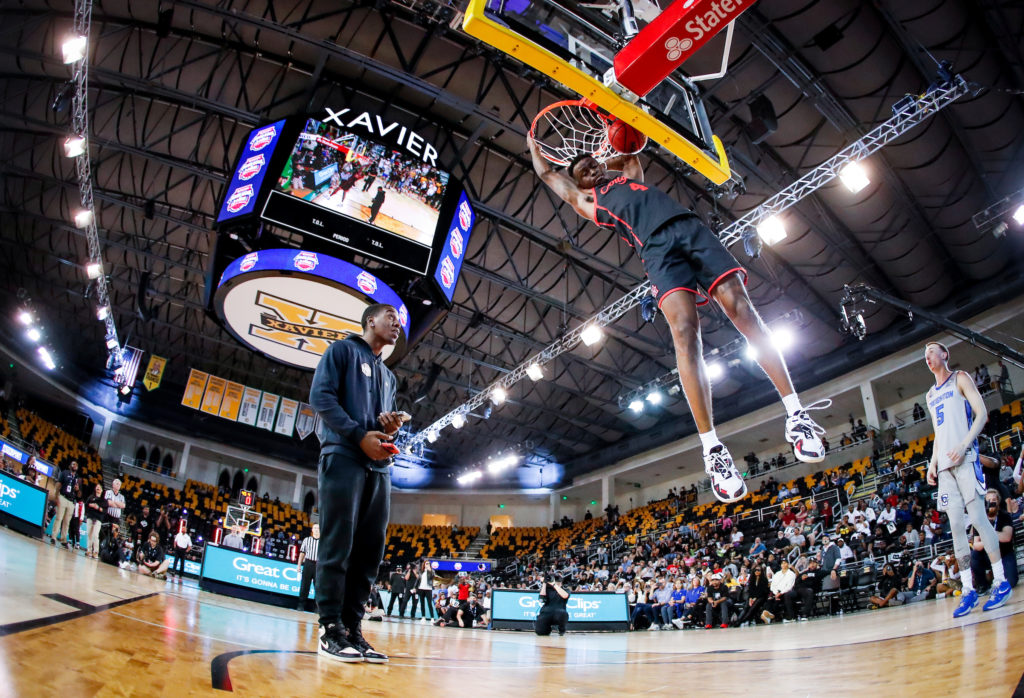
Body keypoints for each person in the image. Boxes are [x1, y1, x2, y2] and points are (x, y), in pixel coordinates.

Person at [527, 134, 828, 503]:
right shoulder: (587, 199)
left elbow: (631, 150)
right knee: (685, 333)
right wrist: (533, 145)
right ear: (581, 185)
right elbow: (548, 176)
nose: (590, 169)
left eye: (591, 163)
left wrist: (616, 134)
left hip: (689, 227)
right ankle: (713, 451)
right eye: (583, 172)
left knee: (742, 309)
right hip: (655, 250)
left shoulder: (632, 174)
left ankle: (796, 414)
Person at [309, 303, 405, 663]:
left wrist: (389, 427)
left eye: (399, 322)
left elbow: (378, 424)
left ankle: (352, 627)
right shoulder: (342, 351)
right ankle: (329, 628)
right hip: (344, 455)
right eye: (391, 318)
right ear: (370, 321)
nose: (397, 325)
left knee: (369, 553)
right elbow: (320, 398)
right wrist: (357, 433)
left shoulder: (389, 377)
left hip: (378, 466)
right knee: (338, 545)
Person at [924, 342, 1012, 617]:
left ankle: (1001, 581)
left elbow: (982, 413)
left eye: (932, 352)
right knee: (957, 530)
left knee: (978, 520)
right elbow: (938, 433)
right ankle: (969, 590)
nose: (928, 357)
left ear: (944, 355)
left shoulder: (959, 378)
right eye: (925, 355)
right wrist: (932, 463)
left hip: (966, 461)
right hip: (946, 468)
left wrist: (964, 444)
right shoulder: (929, 394)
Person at [971, 490, 1018, 591]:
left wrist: (988, 535)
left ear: (998, 502)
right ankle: (982, 585)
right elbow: (976, 545)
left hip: (1004, 554)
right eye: (988, 500)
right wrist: (989, 539)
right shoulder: (980, 518)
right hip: (988, 555)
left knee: (1011, 583)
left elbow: (1006, 537)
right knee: (974, 555)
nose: (991, 502)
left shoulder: (1004, 516)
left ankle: (998, 577)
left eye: (994, 500)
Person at [50, 460, 80, 548]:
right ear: (70, 466)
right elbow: (58, 484)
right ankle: (53, 537)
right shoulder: (64, 473)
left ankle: (63, 539)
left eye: (76, 464)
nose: (75, 465)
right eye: (73, 464)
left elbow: (79, 494)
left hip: (71, 501)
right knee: (59, 518)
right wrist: (56, 497)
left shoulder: (77, 478)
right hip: (63, 497)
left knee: (67, 522)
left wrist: (77, 489)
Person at [296, 523, 320, 612]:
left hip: (319, 565)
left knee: (318, 587)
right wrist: (299, 565)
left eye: (318, 528)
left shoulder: (323, 541)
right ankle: (301, 605)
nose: (316, 529)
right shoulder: (307, 540)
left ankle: (317, 607)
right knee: (305, 585)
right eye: (315, 528)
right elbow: (302, 553)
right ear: (312, 530)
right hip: (308, 563)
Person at [83, 483, 105, 559]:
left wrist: (98, 507)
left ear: (102, 490)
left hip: (98, 519)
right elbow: (86, 504)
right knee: (89, 534)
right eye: (97, 487)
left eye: (100, 487)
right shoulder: (91, 497)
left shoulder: (103, 500)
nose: (98, 488)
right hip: (90, 517)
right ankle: (89, 550)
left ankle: (96, 552)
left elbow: (104, 510)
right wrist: (90, 505)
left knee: (95, 535)